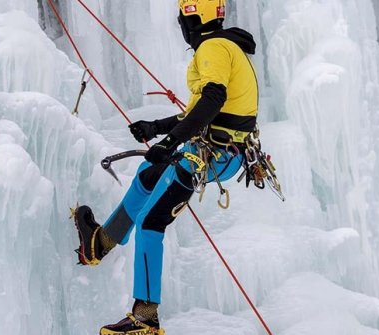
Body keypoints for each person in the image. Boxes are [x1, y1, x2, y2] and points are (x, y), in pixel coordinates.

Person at [73, 1, 258, 334]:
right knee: (147, 178)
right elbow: (201, 112)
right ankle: (99, 243)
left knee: (150, 222)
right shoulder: (227, 46)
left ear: (193, 18)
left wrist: (170, 142)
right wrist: (155, 128)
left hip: (210, 155)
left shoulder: (213, 47)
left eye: (184, 18)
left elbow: (213, 98)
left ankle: (145, 317)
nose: (182, 26)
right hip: (219, 152)